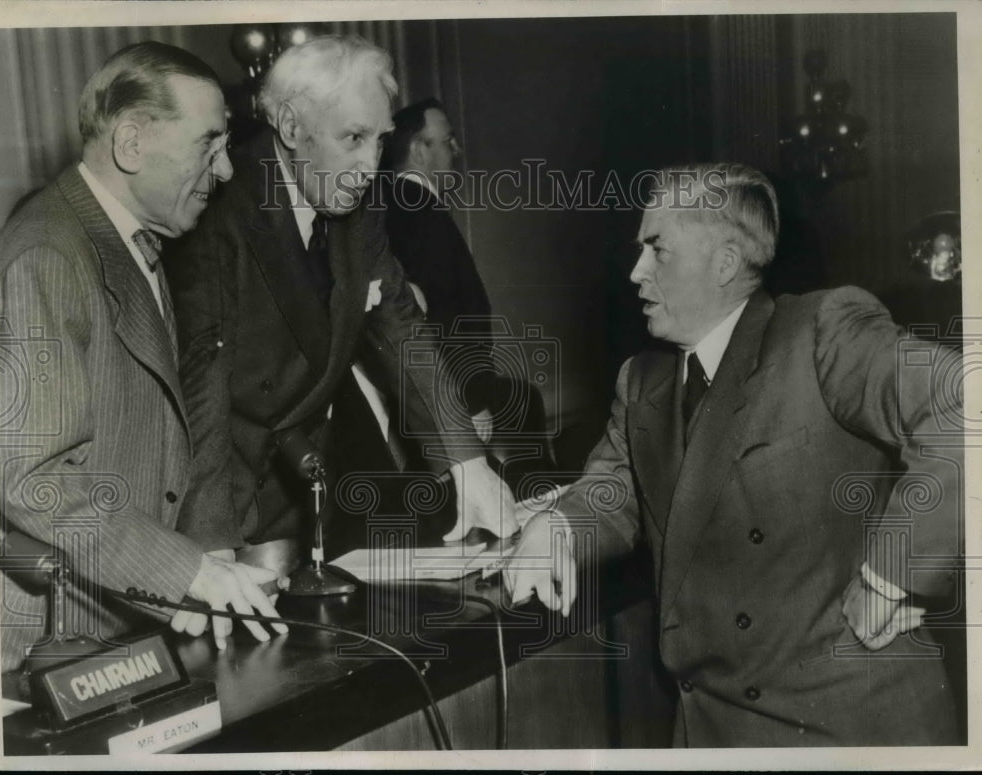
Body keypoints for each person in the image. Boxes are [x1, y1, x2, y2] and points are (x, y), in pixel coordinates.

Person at [505, 163, 963, 746]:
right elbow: (615, 492)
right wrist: (559, 525)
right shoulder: (642, 381)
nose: (636, 272)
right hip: (711, 730)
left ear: (723, 262)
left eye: (657, 249)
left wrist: (890, 575)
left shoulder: (821, 331)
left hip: (844, 727)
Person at [166, 36, 514, 566]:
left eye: (379, 141)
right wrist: (209, 543)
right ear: (289, 127)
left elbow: (400, 322)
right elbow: (202, 384)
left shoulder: (356, 198)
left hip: (306, 486)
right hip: (224, 488)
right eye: (352, 137)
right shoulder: (222, 203)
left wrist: (469, 465)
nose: (369, 165)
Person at [0, 42, 286, 674]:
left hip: (117, 620)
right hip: (51, 644)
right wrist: (184, 570)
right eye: (208, 143)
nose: (228, 169)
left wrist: (183, 580)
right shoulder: (46, 250)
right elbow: (35, 480)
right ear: (130, 143)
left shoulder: (132, 243)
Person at [378, 98, 555, 494]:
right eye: (448, 140)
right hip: (452, 397)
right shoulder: (421, 213)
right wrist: (471, 401)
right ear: (420, 149)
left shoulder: (389, 208)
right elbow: (445, 318)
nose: (456, 150)